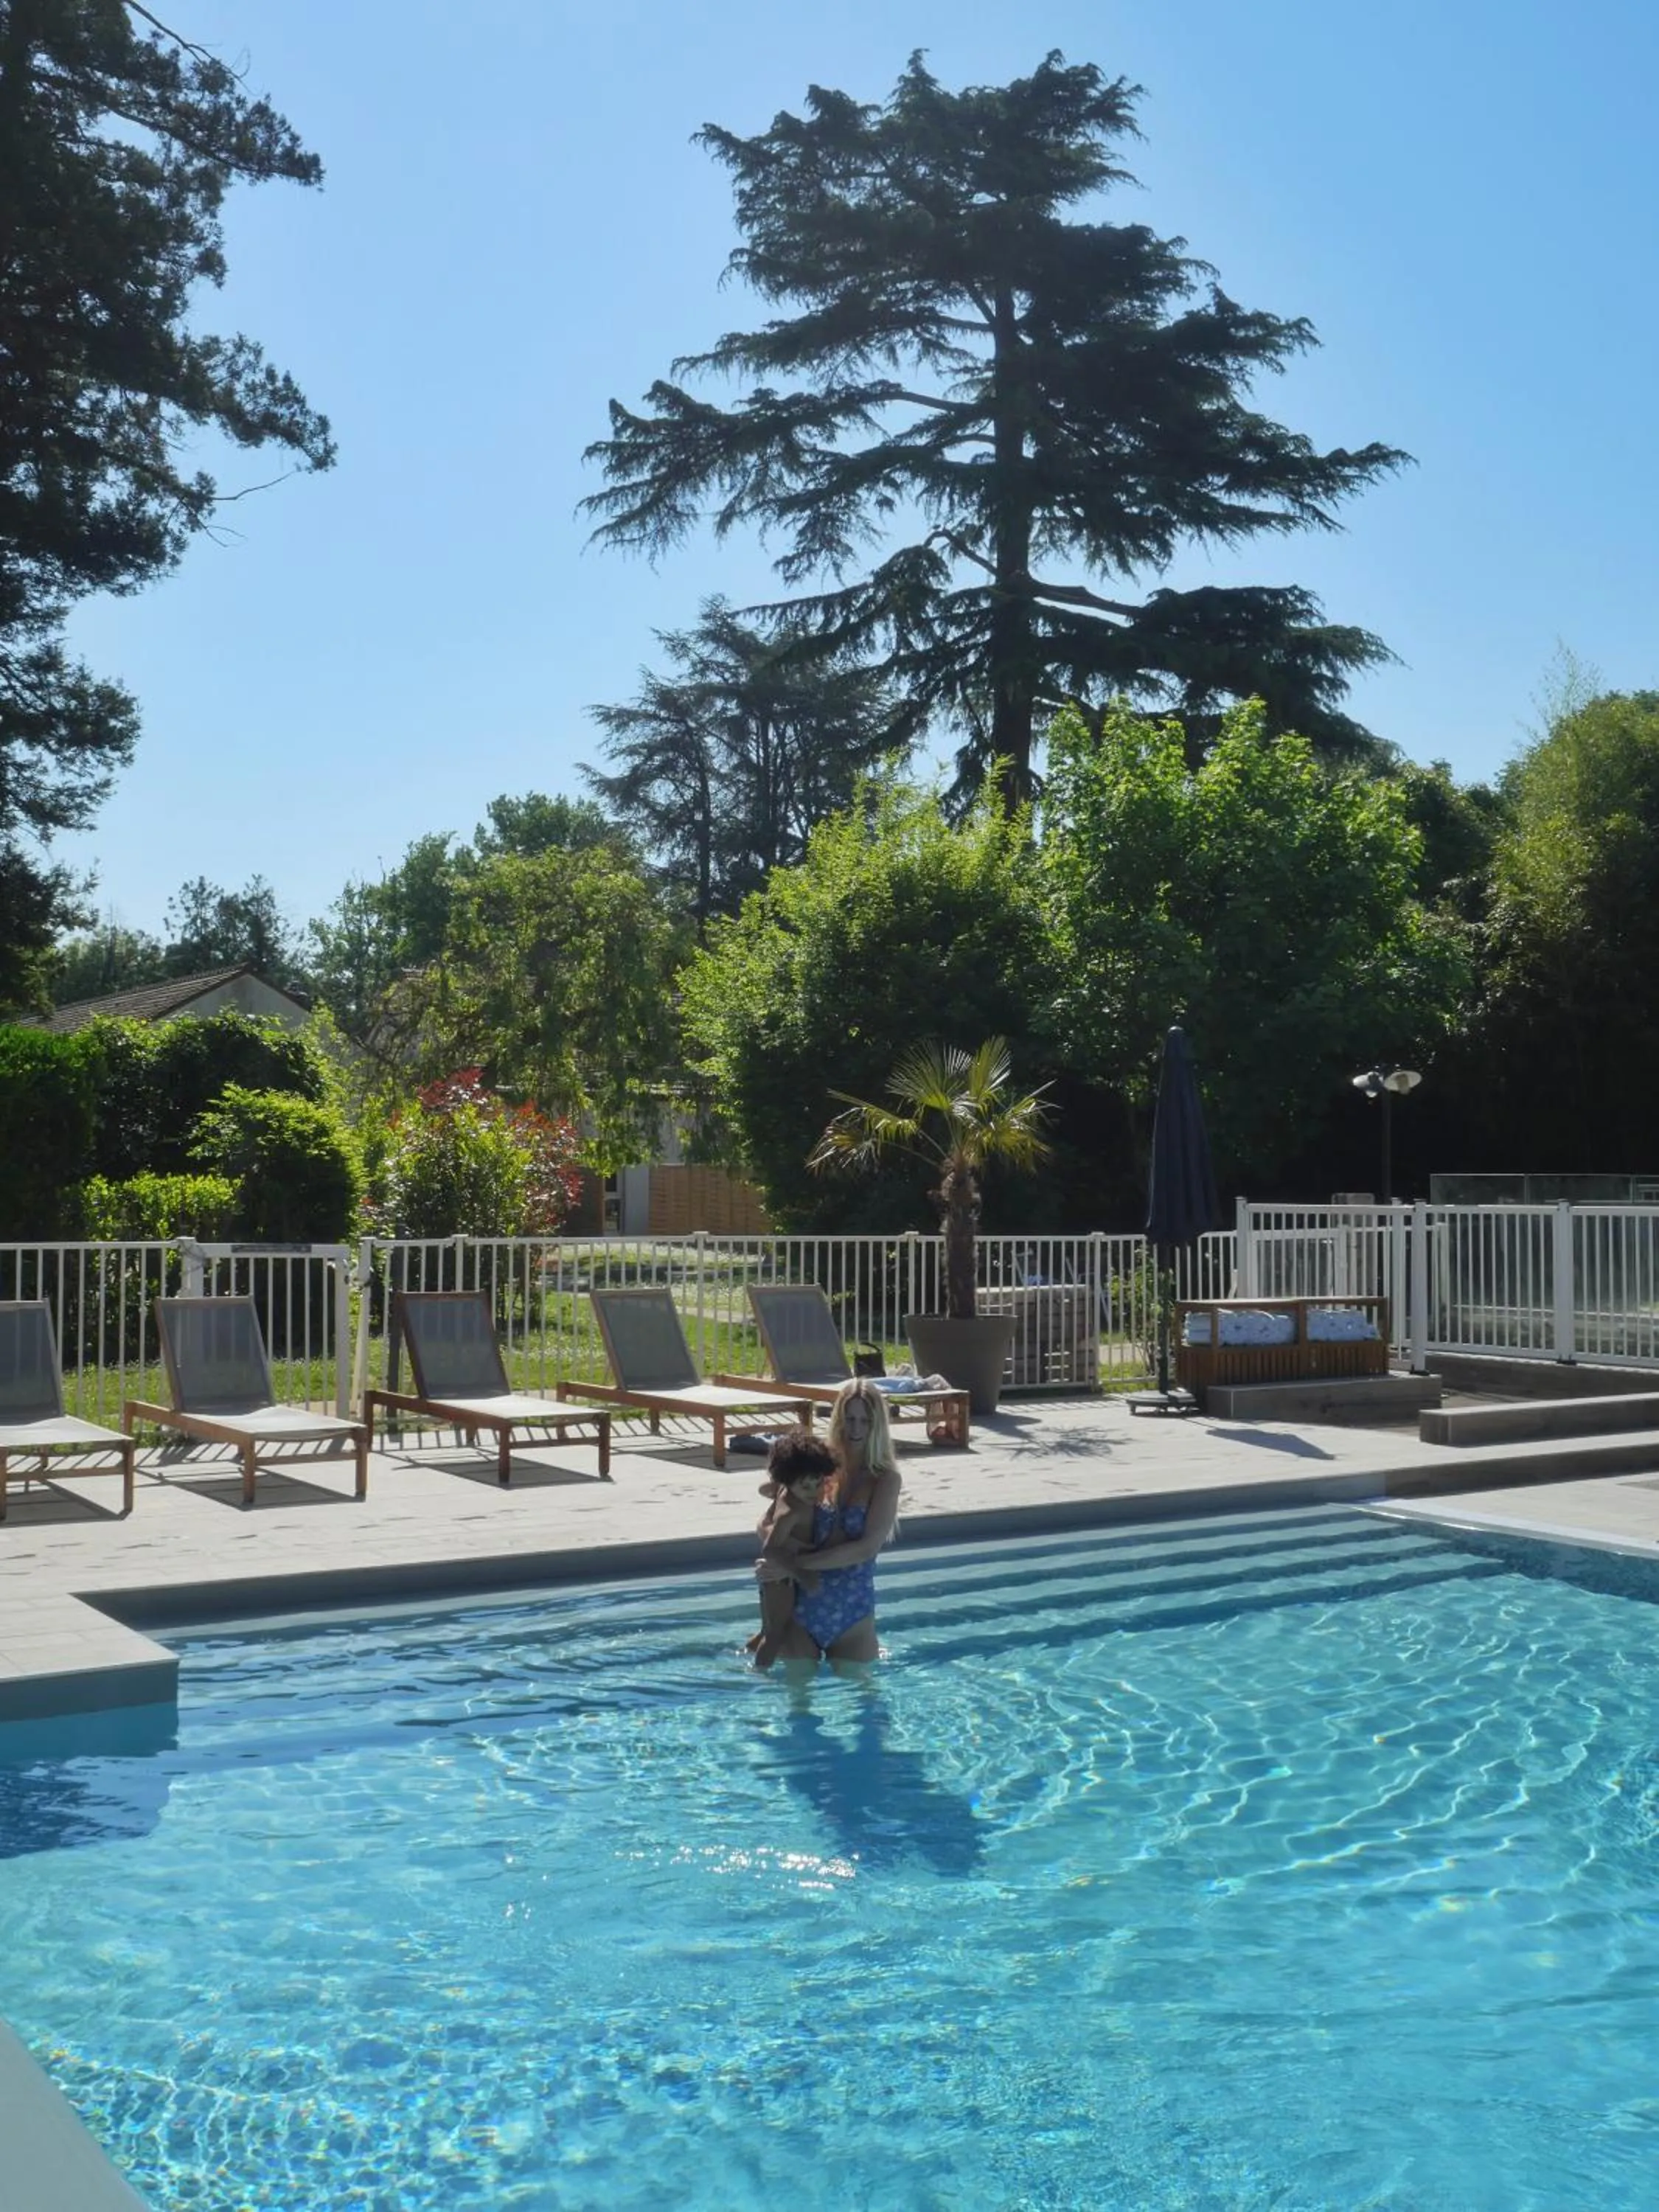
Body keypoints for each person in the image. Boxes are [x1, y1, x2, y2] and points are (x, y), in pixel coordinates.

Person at [757, 1377, 902, 1667]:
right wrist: (780, 1550)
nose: (856, 1429)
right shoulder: (818, 1464)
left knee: (862, 1695)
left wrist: (792, 1564)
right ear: (838, 1419)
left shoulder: (885, 1479)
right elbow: (766, 1521)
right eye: (850, 1419)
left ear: (877, 1425)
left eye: (865, 1421)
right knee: (792, 1694)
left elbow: (866, 1549)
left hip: (852, 1614)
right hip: (801, 1609)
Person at [747, 1429, 835, 1669]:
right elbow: (770, 1549)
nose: (814, 1493)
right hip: (779, 1576)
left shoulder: (788, 1490)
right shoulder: (791, 1512)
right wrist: (802, 1574)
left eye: (819, 1483)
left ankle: (743, 1654)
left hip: (785, 1570)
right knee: (776, 1633)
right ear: (788, 1480)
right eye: (806, 1487)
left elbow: (768, 1489)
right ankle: (758, 1673)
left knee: (769, 1628)